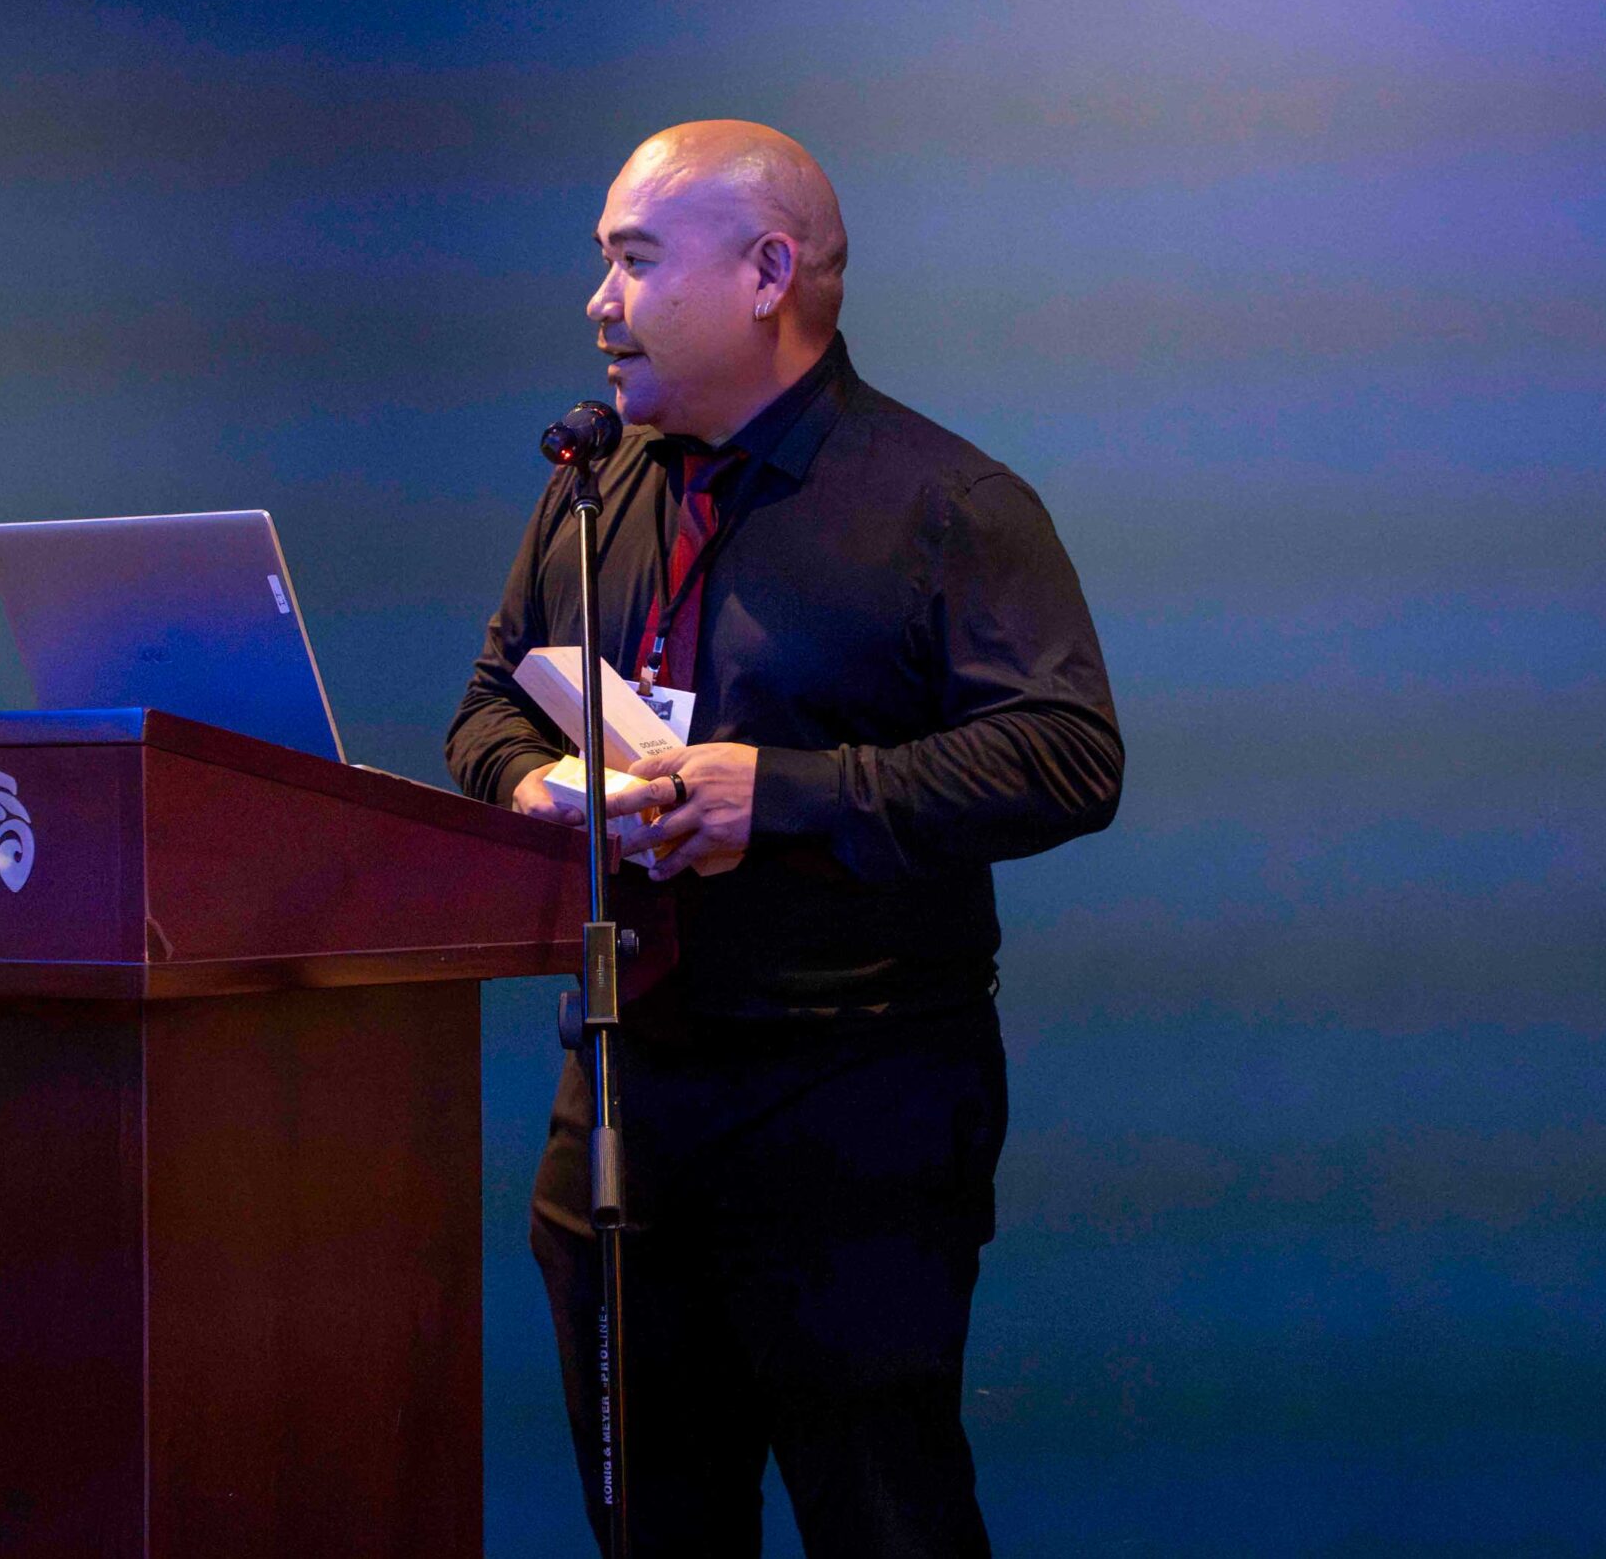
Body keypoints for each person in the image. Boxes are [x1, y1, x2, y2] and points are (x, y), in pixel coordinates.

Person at [446, 120, 1123, 1557]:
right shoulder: (592, 493)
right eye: (600, 264)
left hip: (855, 1111)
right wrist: (535, 793)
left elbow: (1069, 756)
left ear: (767, 273)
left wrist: (789, 794)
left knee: (887, 1522)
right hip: (626, 1099)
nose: (598, 302)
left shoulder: (948, 506)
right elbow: (490, 706)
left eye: (632, 260)